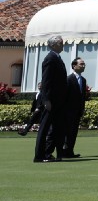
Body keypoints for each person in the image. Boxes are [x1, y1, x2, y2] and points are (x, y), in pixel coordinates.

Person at [34, 35, 68, 163]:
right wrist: (46, 99)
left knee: (58, 128)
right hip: (51, 101)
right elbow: (46, 81)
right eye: (60, 42)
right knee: (45, 128)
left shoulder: (57, 58)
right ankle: (39, 155)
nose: (62, 44)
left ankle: (52, 153)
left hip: (58, 101)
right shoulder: (50, 59)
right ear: (54, 45)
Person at [63, 57, 87, 158]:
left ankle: (70, 151)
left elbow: (82, 96)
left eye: (84, 64)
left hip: (77, 111)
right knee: (66, 132)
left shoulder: (83, 80)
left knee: (73, 132)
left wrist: (82, 109)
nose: (83, 66)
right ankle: (63, 152)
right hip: (68, 111)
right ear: (74, 66)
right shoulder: (68, 79)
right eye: (81, 64)